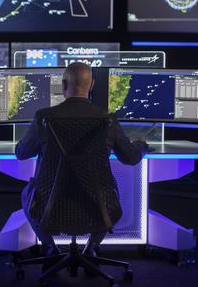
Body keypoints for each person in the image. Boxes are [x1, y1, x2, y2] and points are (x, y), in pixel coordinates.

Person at [15, 62, 146, 259]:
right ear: (92, 85)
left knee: (27, 193)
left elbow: (22, 153)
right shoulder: (107, 119)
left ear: (63, 84)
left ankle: (50, 248)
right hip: (98, 207)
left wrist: (29, 142)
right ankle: (91, 249)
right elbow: (131, 158)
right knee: (110, 194)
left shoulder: (43, 117)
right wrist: (141, 146)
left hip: (49, 208)